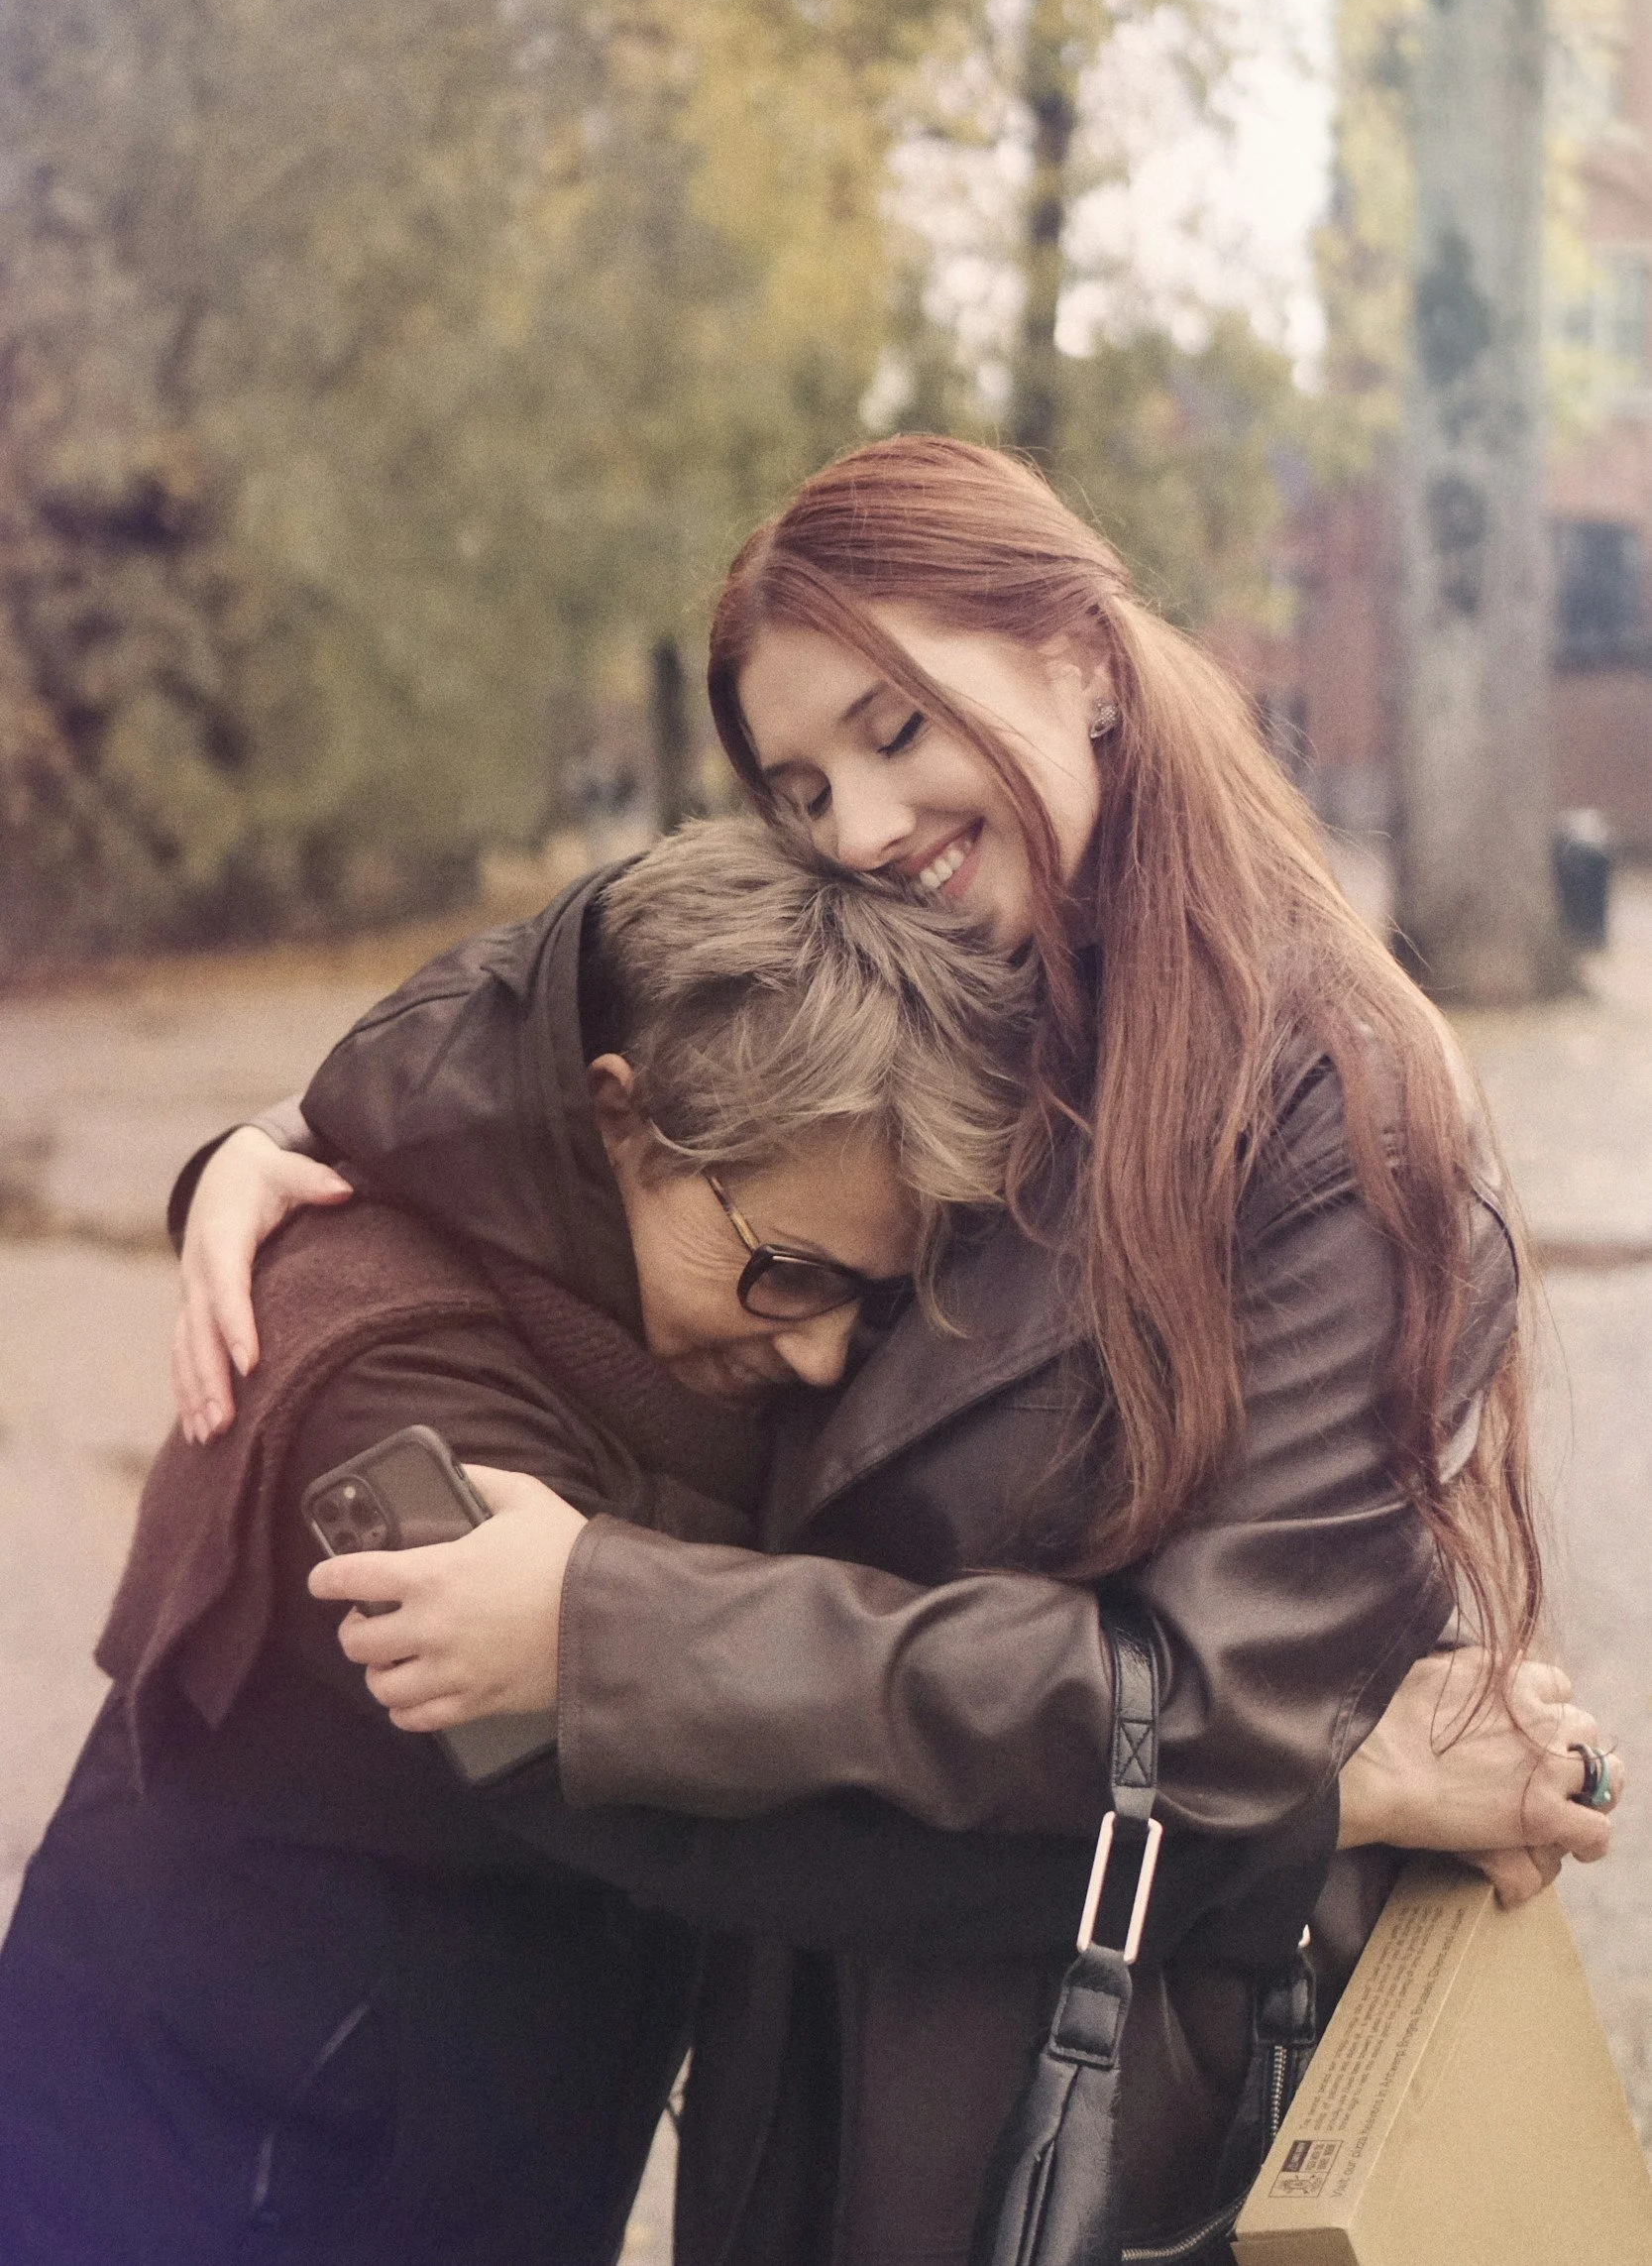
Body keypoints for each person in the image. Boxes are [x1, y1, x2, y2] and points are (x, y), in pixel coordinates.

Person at [167, 438, 1621, 2265]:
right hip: (809, 2042)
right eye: (796, 784)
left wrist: (610, 1623)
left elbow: (1218, 1714)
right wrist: (274, 1148)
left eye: (893, 727)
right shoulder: (937, 992)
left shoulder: (1325, 1109)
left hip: (1106, 2082)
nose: (854, 826)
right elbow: (555, 1016)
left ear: (1085, 661)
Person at [0, 817, 1094, 2266]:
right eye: (788, 1276)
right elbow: (732, 1820)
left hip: (443, 2148)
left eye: (869, 1302)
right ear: (617, 1117)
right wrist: (1249, 1817)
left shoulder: (637, 1300)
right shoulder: (386, 1404)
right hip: (215, 2175)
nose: (826, 1360)